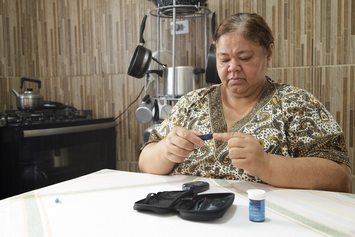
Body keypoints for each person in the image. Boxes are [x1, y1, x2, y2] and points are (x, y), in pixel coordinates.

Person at [139, 13, 352, 192]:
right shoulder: (192, 103)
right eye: (224, 59)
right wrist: (165, 150)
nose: (233, 67)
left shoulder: (296, 104)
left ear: (268, 53)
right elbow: (145, 161)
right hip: (192, 219)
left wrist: (267, 164)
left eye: (245, 57)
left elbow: (340, 178)